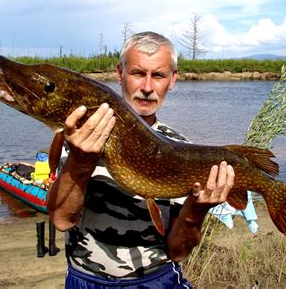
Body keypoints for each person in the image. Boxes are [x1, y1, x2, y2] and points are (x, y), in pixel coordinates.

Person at [47, 31, 235, 288]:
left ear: (172, 80)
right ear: (120, 73)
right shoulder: (83, 133)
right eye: (137, 73)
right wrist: (80, 160)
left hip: (156, 279)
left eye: (158, 75)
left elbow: (178, 252)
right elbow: (61, 220)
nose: (147, 87)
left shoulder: (183, 151)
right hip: (86, 279)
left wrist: (196, 210)